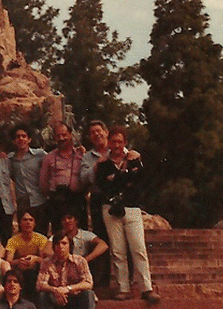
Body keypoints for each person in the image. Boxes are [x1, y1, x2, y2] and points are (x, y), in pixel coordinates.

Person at [95, 128, 160, 304]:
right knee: (118, 250)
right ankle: (123, 288)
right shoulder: (103, 163)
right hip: (110, 208)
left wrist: (118, 176)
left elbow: (141, 182)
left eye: (119, 141)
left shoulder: (134, 159)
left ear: (125, 143)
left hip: (131, 207)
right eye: (113, 141)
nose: (116, 145)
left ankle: (147, 288)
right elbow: (102, 185)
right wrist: (124, 175)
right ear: (109, 143)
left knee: (138, 248)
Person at [77, 121, 111, 286]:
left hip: (118, 197)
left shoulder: (118, 150)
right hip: (99, 197)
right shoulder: (88, 157)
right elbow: (83, 179)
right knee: (101, 237)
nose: (97, 135)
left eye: (99, 131)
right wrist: (96, 167)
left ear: (106, 132)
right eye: (93, 133)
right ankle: (102, 279)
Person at [39, 124, 83, 232]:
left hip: (76, 199)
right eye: (58, 136)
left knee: (79, 232)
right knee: (58, 233)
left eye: (64, 135)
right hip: (57, 201)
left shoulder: (80, 154)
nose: (61, 138)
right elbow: (43, 182)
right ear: (54, 138)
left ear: (71, 135)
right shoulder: (48, 157)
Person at [44, 214, 107, 289]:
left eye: (70, 218)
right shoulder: (58, 236)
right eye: (64, 219)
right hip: (62, 266)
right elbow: (46, 251)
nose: (67, 221)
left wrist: (85, 259)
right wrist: (62, 257)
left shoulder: (85, 234)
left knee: (99, 258)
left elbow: (103, 245)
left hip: (81, 265)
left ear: (76, 220)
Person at [35, 232, 93, 309]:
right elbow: (40, 284)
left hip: (75, 296)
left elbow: (88, 283)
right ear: (53, 247)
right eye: (57, 244)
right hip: (56, 297)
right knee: (43, 295)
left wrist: (68, 289)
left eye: (64, 243)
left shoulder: (80, 261)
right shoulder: (47, 262)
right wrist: (55, 291)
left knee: (88, 293)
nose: (60, 246)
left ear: (70, 246)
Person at [8, 126, 47, 232]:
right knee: (24, 236)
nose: (21, 139)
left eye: (24, 136)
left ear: (29, 139)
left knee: (41, 234)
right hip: (22, 203)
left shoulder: (40, 155)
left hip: (39, 201)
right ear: (14, 141)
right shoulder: (10, 159)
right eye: (17, 137)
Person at [4, 211, 47, 302]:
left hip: (36, 271)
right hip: (19, 271)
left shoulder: (41, 238)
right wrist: (19, 261)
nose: (28, 222)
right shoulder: (13, 240)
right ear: (20, 223)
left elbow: (45, 260)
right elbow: (8, 261)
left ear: (34, 223)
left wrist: (35, 258)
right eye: (25, 220)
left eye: (31, 220)